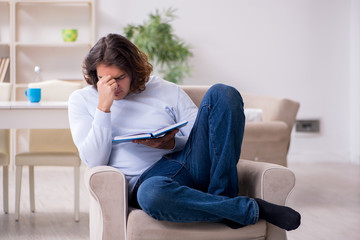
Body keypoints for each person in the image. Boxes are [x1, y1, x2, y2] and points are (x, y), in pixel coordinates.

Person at [68, 33, 301, 231]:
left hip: (186, 164)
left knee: (223, 93)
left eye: (119, 78)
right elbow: (94, 160)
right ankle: (244, 208)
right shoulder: (82, 100)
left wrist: (169, 144)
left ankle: (223, 195)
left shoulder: (165, 90)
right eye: (104, 79)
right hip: (147, 182)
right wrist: (104, 107)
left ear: (133, 71)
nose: (113, 86)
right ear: (95, 76)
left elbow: (205, 136)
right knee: (152, 195)